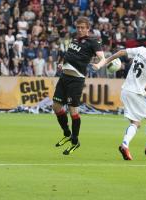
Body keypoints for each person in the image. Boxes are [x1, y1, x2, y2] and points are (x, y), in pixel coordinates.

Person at [93, 36, 146, 160]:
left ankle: (125, 145)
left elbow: (121, 52)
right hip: (137, 92)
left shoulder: (141, 50)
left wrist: (105, 61)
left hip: (125, 90)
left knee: (136, 123)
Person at [53, 17, 105, 155]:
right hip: (64, 76)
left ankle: (75, 141)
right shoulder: (74, 40)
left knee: (73, 111)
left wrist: (98, 65)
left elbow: (102, 58)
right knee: (56, 106)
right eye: (78, 27)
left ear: (88, 28)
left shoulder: (93, 42)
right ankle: (67, 133)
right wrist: (61, 64)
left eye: (83, 27)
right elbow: (69, 56)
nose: (80, 30)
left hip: (76, 80)